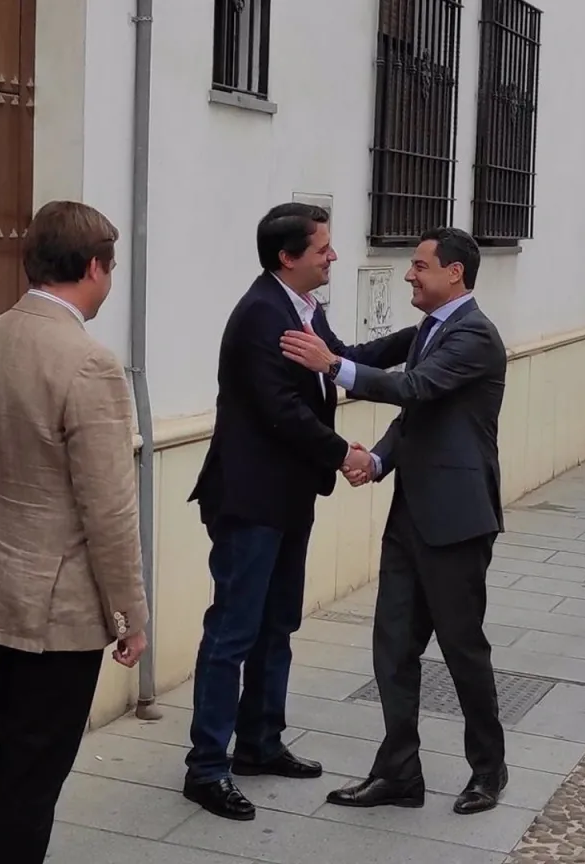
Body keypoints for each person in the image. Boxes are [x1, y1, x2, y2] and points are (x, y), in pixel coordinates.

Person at [185, 203, 418, 821]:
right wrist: (346, 454)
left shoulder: (303, 308)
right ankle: (206, 767)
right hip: (249, 499)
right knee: (232, 632)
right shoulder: (262, 315)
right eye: (322, 248)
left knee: (278, 624)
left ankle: (260, 743)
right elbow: (280, 411)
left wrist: (424, 332)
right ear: (287, 257)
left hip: (288, 498)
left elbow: (344, 361)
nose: (333, 256)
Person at [279, 226, 509, 816]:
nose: (409, 273)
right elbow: (413, 414)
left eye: (420, 265)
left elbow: (415, 388)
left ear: (454, 273)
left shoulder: (475, 335)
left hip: (457, 521)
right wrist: (377, 460)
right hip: (410, 517)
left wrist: (333, 366)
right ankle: (399, 773)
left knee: (462, 650)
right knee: (393, 649)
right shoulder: (429, 330)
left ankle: (489, 770)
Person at [0, 200, 149, 863]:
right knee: (35, 776)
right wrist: (129, 616)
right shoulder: (88, 362)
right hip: (56, 606)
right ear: (93, 267)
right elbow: (109, 509)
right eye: (110, 268)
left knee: (16, 757)